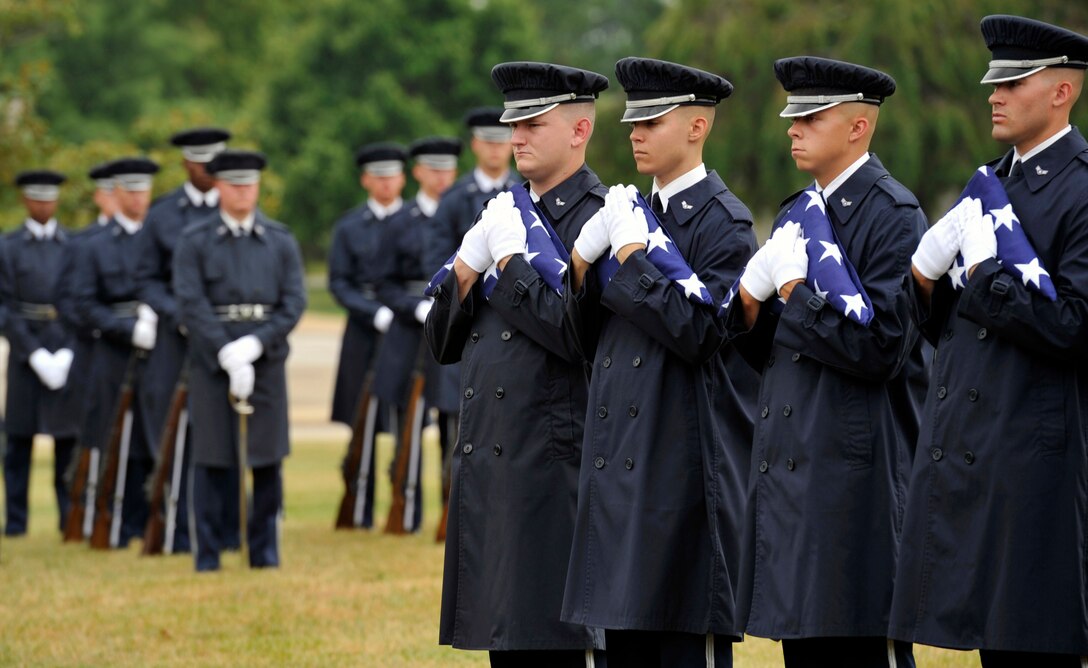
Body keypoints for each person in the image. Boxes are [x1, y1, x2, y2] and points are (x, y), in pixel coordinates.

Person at [889, 15, 1088, 667]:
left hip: (1038, 471)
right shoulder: (991, 183)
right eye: (992, 83)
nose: (993, 94)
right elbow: (948, 325)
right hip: (974, 458)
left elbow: (1073, 326)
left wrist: (985, 273)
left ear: (1062, 92)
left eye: (1013, 82)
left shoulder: (1081, 189)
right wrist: (923, 279)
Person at [725, 57, 926, 666]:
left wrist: (795, 295)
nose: (793, 128)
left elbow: (884, 348)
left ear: (859, 127)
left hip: (856, 480)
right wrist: (750, 308)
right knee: (806, 651)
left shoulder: (893, 214)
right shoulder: (796, 213)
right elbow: (770, 355)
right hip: (795, 471)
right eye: (793, 117)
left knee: (861, 648)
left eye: (811, 117)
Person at [561, 57, 757, 668]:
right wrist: (581, 271)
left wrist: (631, 255)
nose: (635, 133)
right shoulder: (630, 213)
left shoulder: (725, 223)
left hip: (678, 484)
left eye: (652, 120)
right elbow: (585, 340)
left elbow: (702, 334)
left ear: (697, 127)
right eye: (631, 121)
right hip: (620, 471)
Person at [425, 61, 608, 667]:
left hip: (557, 467)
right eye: (513, 124)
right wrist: (463, 271)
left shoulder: (603, 218)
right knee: (510, 647)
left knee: (559, 646)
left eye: (533, 122)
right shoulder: (503, 211)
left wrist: (510, 268)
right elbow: (442, 344)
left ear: (580, 131)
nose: (517, 137)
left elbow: (576, 336)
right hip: (496, 461)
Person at [173, 149, 306, 572]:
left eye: (249, 184)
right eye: (234, 185)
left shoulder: (280, 240)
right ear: (218, 187)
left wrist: (255, 345)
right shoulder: (194, 241)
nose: (243, 192)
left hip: (264, 361)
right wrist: (226, 352)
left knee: (266, 459)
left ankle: (264, 553)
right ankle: (208, 554)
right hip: (213, 362)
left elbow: (293, 303)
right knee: (212, 458)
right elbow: (191, 303)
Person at [137, 126, 232, 554]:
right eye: (200, 164)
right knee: (173, 434)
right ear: (186, 164)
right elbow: (147, 279)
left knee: (225, 435)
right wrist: (179, 316)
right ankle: (174, 529)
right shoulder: (161, 215)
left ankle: (227, 531)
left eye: (215, 163)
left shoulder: (234, 208)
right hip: (176, 343)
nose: (208, 171)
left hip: (225, 343)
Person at [422, 109, 518, 527]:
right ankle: (451, 506)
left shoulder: (525, 192)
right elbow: (438, 260)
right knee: (454, 428)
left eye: (503, 141)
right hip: (468, 323)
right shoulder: (456, 198)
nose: (496, 149)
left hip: (516, 323)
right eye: (489, 141)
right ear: (476, 145)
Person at [70, 157, 162, 547]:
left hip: (158, 347)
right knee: (111, 433)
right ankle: (111, 519)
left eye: (144, 190)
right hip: (113, 351)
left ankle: (148, 518)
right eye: (131, 190)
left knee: (151, 434)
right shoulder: (95, 245)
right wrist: (127, 328)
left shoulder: (162, 238)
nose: (139, 198)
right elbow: (84, 303)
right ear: (117, 193)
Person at [373, 136, 461, 533]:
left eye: (447, 169)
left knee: (452, 421)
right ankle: (405, 510)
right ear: (418, 172)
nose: (441, 177)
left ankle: (450, 507)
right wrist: (414, 307)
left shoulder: (465, 211)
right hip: (410, 331)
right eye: (433, 169)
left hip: (452, 327)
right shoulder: (399, 222)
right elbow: (385, 284)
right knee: (407, 422)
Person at [328, 141, 409, 528]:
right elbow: (339, 283)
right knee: (363, 420)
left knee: (405, 420)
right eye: (378, 177)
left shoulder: (417, 221)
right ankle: (359, 506)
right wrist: (372, 311)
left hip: (406, 330)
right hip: (365, 332)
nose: (385, 184)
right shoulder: (349, 227)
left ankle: (405, 503)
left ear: (403, 179)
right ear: (365, 180)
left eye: (391, 176)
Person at [0, 170, 79, 536]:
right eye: (37, 198)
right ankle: (16, 522)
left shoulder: (73, 246)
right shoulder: (8, 246)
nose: (43, 204)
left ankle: (68, 517)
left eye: (49, 198)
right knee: (17, 440)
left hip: (63, 346)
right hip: (24, 351)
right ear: (26, 201)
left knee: (67, 439)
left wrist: (65, 352)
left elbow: (80, 302)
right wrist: (32, 353)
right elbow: (4, 307)